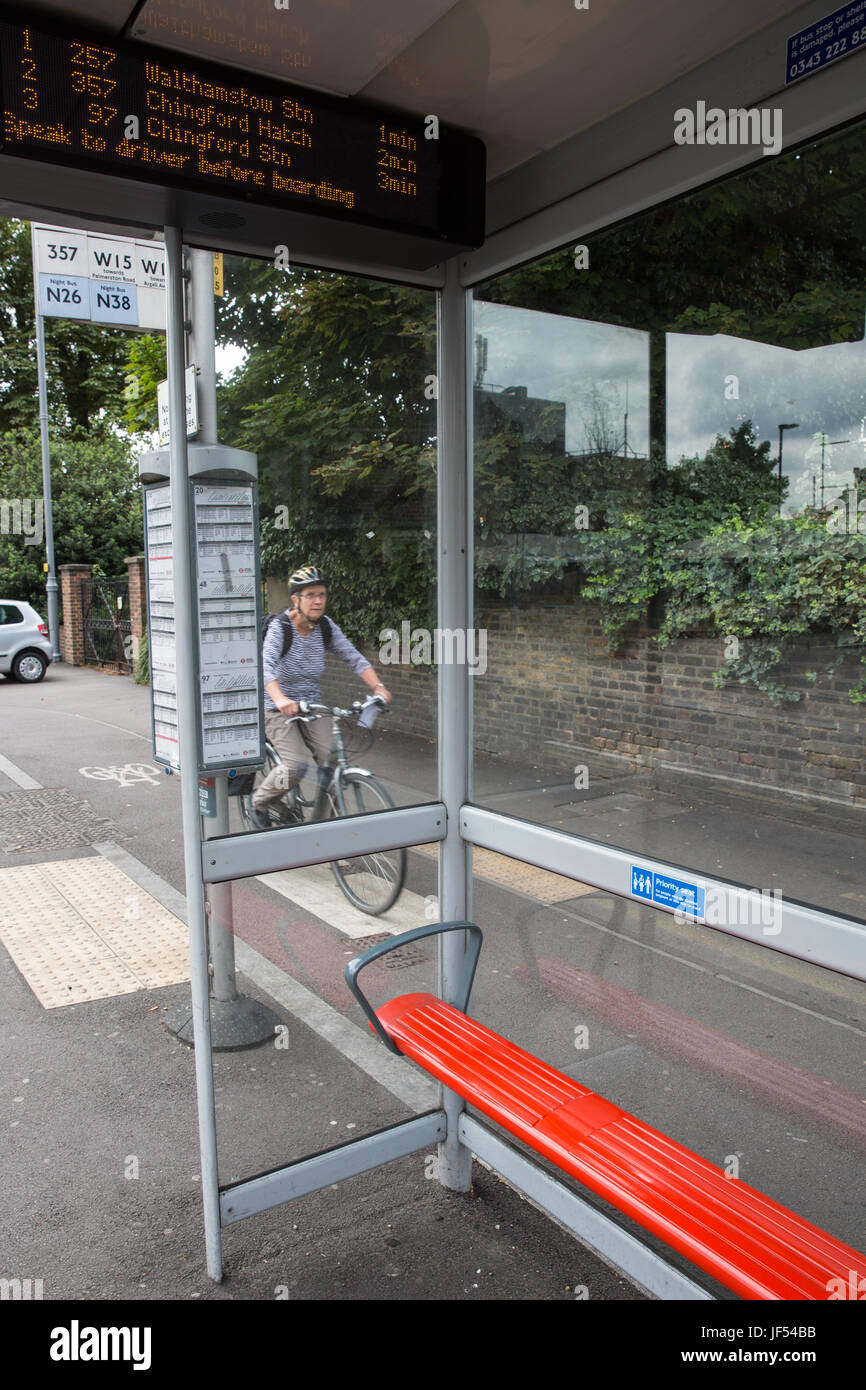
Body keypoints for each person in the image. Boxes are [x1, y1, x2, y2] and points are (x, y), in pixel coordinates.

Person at [249, 565, 391, 828]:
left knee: (332, 761)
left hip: (312, 705)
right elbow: (265, 666)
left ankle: (326, 825)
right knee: (296, 766)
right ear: (296, 599)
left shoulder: (325, 626)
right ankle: (260, 802)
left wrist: (378, 687)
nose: (318, 601)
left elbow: (354, 658)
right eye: (311, 594)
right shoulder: (282, 628)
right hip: (277, 708)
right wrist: (280, 699)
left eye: (322, 594)